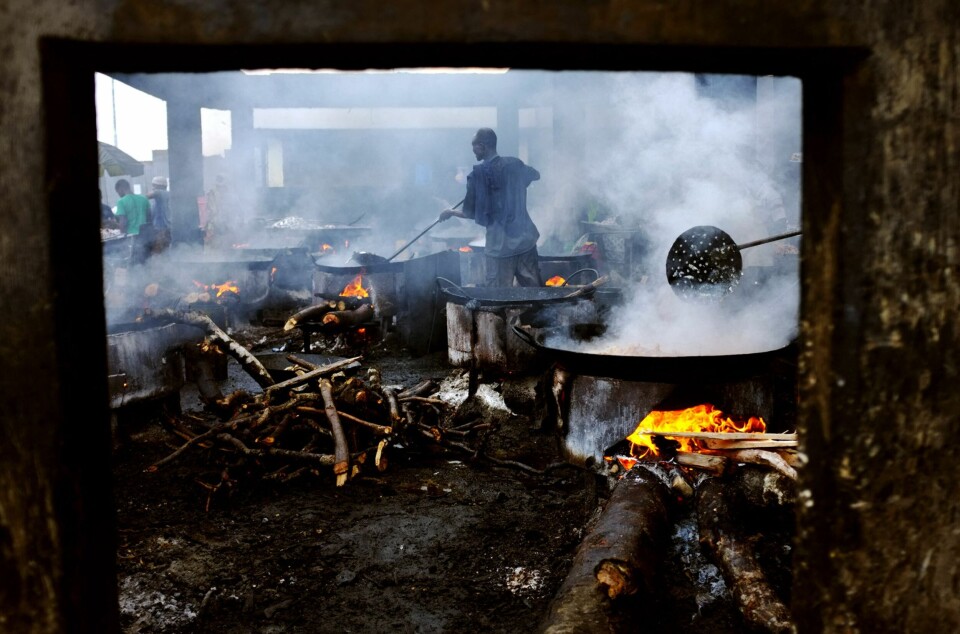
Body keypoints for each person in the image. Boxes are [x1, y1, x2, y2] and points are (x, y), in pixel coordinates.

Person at [439, 128, 543, 287]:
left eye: (474, 146)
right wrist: (518, 182)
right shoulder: (515, 164)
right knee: (536, 294)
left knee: (498, 299)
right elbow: (536, 175)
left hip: (499, 249)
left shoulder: (476, 176)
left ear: (483, 145)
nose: (473, 150)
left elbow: (469, 213)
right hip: (525, 242)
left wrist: (450, 212)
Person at [114, 178, 153, 263]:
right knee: (147, 262)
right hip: (146, 236)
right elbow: (150, 218)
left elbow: (123, 222)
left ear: (120, 189)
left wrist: (122, 239)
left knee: (134, 264)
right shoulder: (144, 199)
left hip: (132, 238)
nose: (118, 194)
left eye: (118, 192)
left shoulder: (121, 201)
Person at [146, 176, 172, 253]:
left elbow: (147, 196)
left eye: (154, 185)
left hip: (161, 230)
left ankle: (159, 264)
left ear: (159, 185)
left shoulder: (161, 193)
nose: (153, 187)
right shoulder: (165, 195)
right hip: (165, 229)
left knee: (157, 253)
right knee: (163, 252)